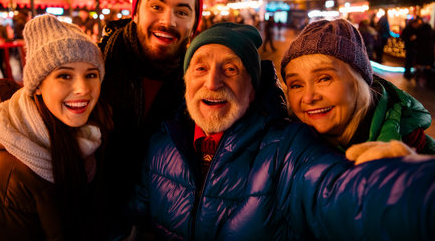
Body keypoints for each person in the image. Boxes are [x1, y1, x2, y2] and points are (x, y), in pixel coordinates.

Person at [127, 22, 434, 240]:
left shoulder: (287, 147)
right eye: (200, 68)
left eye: (231, 69)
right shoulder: (162, 143)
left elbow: (342, 192)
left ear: (252, 87)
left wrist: (410, 182)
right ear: (186, 81)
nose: (212, 83)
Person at [97, 0, 203, 236]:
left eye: (182, 11)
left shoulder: (200, 86)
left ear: (194, 25)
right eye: (156, 6)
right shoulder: (93, 67)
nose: (168, 21)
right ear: (135, 12)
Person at [0, 14, 112, 240]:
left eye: (91, 75)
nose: (83, 89)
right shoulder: (5, 179)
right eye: (65, 75)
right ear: (38, 86)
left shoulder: (87, 139)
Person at [280, 19, 434, 160]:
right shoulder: (282, 146)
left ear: (358, 82)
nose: (308, 98)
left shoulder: (413, 148)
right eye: (296, 85)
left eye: (324, 78)